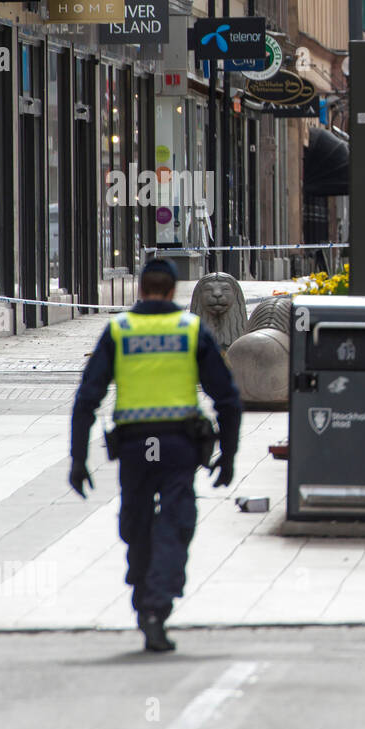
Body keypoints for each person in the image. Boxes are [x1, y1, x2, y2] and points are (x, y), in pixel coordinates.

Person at [69, 259, 242, 653]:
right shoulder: (190, 329)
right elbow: (227, 398)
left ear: (141, 290)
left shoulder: (119, 330)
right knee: (175, 523)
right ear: (173, 292)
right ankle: (155, 607)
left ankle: (142, 594)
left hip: (135, 447)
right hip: (179, 445)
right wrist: (228, 455)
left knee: (137, 521)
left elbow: (86, 400)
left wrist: (78, 460)